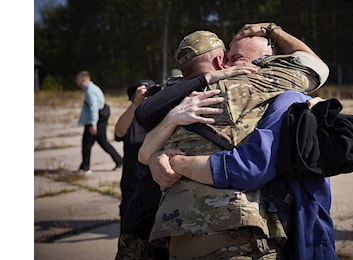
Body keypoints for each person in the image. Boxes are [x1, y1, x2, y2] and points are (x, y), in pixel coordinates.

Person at [137, 23, 336, 259]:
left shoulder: (179, 99)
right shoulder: (257, 82)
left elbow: (144, 149)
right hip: (235, 232)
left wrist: (165, 155)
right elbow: (317, 67)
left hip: (176, 237)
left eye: (235, 55)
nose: (230, 61)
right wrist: (273, 31)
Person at [114, 80, 162, 226]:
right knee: (129, 227)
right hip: (133, 183)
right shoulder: (132, 118)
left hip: (157, 184)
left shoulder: (163, 117)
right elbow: (119, 132)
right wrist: (135, 105)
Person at [75, 70, 123, 174]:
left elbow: (94, 108)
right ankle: (119, 161)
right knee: (101, 142)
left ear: (83, 80)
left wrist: (93, 124)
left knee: (87, 144)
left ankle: (85, 168)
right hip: (99, 118)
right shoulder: (92, 88)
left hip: (97, 120)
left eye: (78, 80)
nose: (77, 82)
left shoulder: (90, 91)